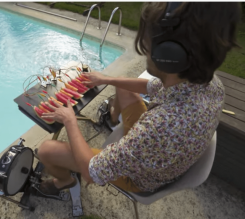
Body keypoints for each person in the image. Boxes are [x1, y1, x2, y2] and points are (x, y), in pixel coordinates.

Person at [37, 2, 242, 195]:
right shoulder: (208, 83)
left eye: (149, 42)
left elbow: (92, 174)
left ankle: (65, 182)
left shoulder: (160, 127)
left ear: (168, 55)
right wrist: (106, 79)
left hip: (139, 178)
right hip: (160, 151)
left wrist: (70, 120)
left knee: (46, 150)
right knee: (123, 85)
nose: (144, 44)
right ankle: (113, 120)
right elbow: (150, 86)